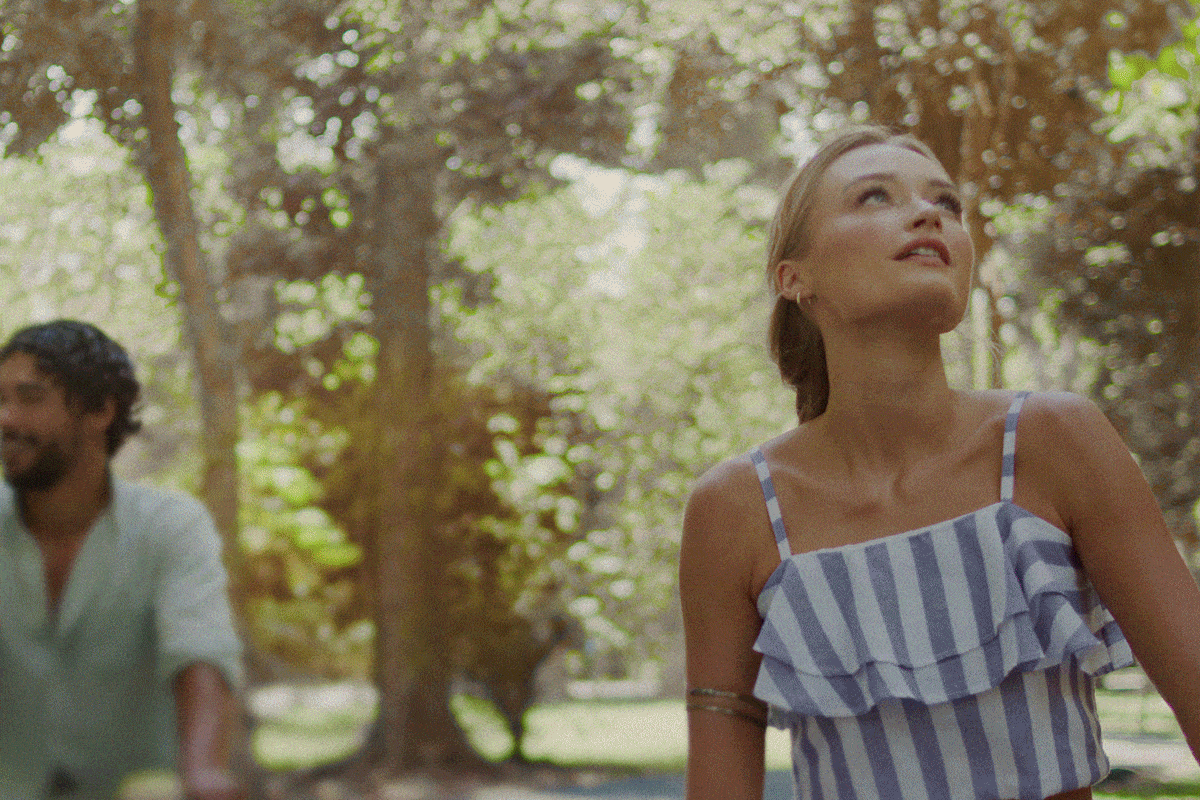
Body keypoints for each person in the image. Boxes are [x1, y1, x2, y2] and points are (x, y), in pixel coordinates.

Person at [679, 125, 1200, 800]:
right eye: (874, 196)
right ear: (794, 277)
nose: (929, 214)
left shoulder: (1056, 439)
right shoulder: (734, 509)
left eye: (946, 203)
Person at [0, 320, 245, 800]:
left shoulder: (170, 526)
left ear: (100, 410)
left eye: (29, 398)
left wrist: (201, 770)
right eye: (0, 400)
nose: (5, 419)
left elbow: (200, 651)